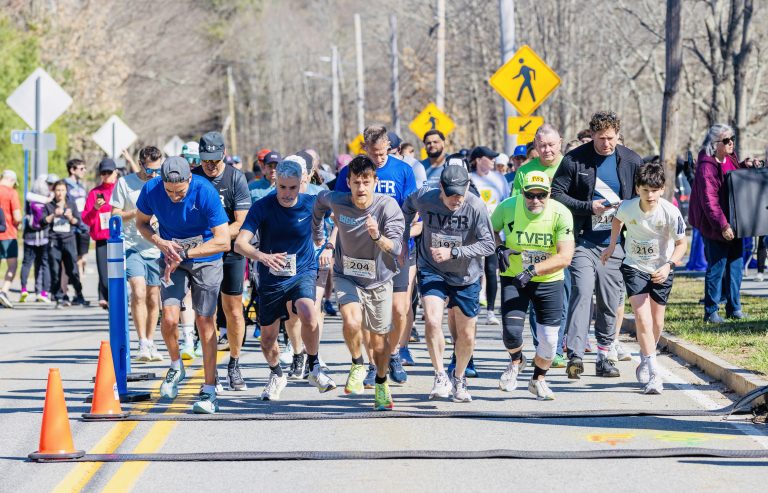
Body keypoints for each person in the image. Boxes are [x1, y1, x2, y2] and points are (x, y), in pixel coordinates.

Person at [551, 110, 642, 379]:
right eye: (601, 138)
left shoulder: (631, 160)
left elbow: (643, 195)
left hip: (614, 243)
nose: (607, 144)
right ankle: (576, 356)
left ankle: (605, 355)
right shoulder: (574, 160)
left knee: (609, 299)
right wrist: (587, 207)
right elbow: (556, 194)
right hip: (582, 241)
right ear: (591, 135)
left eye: (611, 138)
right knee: (582, 293)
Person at [135, 156, 230, 414]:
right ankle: (176, 366)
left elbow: (223, 241)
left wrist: (186, 254)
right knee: (168, 319)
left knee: (204, 321)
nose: (175, 197)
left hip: (206, 258)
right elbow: (141, 223)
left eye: (180, 192)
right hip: (170, 256)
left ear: (190, 179)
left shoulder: (205, 192)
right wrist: (160, 242)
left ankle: (209, 389)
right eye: (169, 192)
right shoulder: (151, 190)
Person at [235, 159, 337, 400]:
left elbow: (343, 217)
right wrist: (262, 256)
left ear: (302, 182)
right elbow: (240, 244)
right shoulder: (262, 206)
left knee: (308, 312)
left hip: (303, 270)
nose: (288, 194)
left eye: (293, 187)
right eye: (282, 187)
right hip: (272, 277)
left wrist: (330, 244)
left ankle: (313, 366)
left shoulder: (312, 203)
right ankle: (276, 373)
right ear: (275, 182)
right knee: (268, 338)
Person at [313, 155, 405, 411]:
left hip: (380, 280)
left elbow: (396, 247)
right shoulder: (338, 200)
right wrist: (319, 237)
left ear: (375, 181)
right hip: (347, 275)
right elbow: (319, 202)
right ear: (349, 183)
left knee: (379, 344)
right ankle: (356, 363)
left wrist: (377, 236)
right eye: (356, 182)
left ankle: (381, 381)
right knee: (351, 321)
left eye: (366, 181)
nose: (361, 187)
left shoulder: (388, 207)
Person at [402, 166, 495, 402]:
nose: (457, 199)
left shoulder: (475, 206)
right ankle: (440, 374)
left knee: (467, 335)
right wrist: (403, 237)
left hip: (466, 276)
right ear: (440, 188)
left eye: (460, 193)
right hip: (432, 269)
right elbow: (407, 207)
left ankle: (459, 377)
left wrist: (454, 252)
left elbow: (488, 245)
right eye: (451, 193)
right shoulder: (425, 197)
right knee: (433, 320)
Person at [334, 125, 417, 388]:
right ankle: (372, 365)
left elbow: (413, 209)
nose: (380, 158)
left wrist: (402, 236)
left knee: (400, 309)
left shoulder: (403, 170)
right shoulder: (353, 172)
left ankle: (393, 354)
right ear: (366, 149)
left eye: (384, 153)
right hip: (362, 251)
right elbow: (337, 204)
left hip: (396, 247)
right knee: (368, 317)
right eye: (375, 153)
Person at [601, 162, 687, 394]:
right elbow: (617, 219)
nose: (650, 195)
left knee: (657, 323)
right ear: (638, 188)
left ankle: (645, 355)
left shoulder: (670, 212)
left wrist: (669, 265)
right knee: (642, 318)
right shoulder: (628, 207)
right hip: (634, 266)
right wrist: (612, 245)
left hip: (661, 269)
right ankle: (653, 371)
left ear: (662, 189)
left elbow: (681, 244)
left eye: (655, 190)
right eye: (645, 190)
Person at [492, 171, 575, 400]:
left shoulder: (561, 213)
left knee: (549, 340)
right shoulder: (507, 207)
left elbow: (565, 257)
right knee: (511, 333)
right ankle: (517, 360)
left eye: (542, 195)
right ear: (522, 192)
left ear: (549, 193)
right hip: (514, 276)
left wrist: (533, 270)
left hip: (548, 280)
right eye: (530, 195)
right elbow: (489, 231)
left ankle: (538, 379)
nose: (536, 200)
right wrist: (499, 247)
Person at [192, 132, 251, 391]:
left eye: (215, 160)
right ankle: (210, 370)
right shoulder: (192, 177)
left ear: (224, 154)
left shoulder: (235, 178)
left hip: (229, 251)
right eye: (206, 160)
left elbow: (242, 221)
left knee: (234, 309)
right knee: (207, 314)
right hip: (202, 251)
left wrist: (220, 236)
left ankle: (235, 364)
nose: (211, 166)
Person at [510, 124, 569, 367]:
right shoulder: (525, 171)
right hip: (533, 240)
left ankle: (555, 346)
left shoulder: (570, 166)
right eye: (541, 145)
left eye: (551, 145)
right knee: (536, 297)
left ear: (560, 143)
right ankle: (542, 347)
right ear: (535, 146)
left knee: (563, 297)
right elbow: (514, 205)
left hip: (564, 239)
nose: (546, 150)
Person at [110, 146, 164, 362]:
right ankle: (141, 342)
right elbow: (114, 214)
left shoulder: (162, 183)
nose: (154, 175)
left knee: (153, 297)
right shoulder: (125, 183)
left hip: (157, 245)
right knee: (138, 291)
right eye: (151, 170)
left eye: (158, 170)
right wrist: (137, 213)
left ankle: (151, 342)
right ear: (141, 164)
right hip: (132, 245)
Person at [688, 124, 746, 323]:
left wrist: (747, 165)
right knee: (717, 266)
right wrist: (723, 225)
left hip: (735, 219)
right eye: (726, 140)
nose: (731, 143)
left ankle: (734, 308)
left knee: (736, 265)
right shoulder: (707, 166)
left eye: (732, 139)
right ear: (715, 144)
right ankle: (711, 311)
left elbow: (737, 177)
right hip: (714, 223)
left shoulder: (730, 158)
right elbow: (709, 200)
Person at [469, 146, 510, 326]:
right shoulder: (470, 178)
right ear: (478, 160)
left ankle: (491, 311)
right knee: (473, 270)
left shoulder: (499, 179)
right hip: (472, 231)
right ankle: (472, 310)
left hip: (494, 231)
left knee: (491, 270)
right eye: (489, 157)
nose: (493, 160)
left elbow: (505, 202)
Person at [82, 158, 119, 310]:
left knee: (120, 273)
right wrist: (95, 208)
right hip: (102, 240)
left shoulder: (120, 189)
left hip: (120, 239)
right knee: (104, 276)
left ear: (115, 172)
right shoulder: (95, 193)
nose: (105, 175)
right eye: (102, 173)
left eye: (108, 172)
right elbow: (86, 219)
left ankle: (114, 300)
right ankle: (109, 299)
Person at [44, 180, 86, 308]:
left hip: (69, 240)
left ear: (66, 191)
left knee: (72, 269)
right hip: (54, 241)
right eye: (57, 190)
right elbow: (42, 222)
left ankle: (79, 294)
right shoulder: (49, 205)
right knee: (55, 270)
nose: (60, 193)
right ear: (54, 191)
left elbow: (78, 222)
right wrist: (53, 215)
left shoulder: (71, 205)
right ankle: (59, 297)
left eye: (62, 190)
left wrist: (70, 217)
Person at [19, 177, 51, 303]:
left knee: (27, 263)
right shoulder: (47, 200)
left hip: (29, 236)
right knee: (44, 264)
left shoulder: (29, 199)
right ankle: (43, 292)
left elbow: (26, 214)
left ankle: (23, 289)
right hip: (44, 236)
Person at [64, 159, 90, 280]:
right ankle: (65, 289)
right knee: (69, 259)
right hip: (70, 227)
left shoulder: (81, 186)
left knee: (82, 258)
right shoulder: (64, 185)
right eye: (81, 168)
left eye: (84, 168)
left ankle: (79, 290)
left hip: (83, 226)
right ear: (72, 170)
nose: (84, 171)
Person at [0, 170, 22, 308]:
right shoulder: (11, 193)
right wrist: (19, 224)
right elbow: (17, 216)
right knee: (12, 266)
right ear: (12, 180)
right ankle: (3, 291)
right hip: (8, 234)